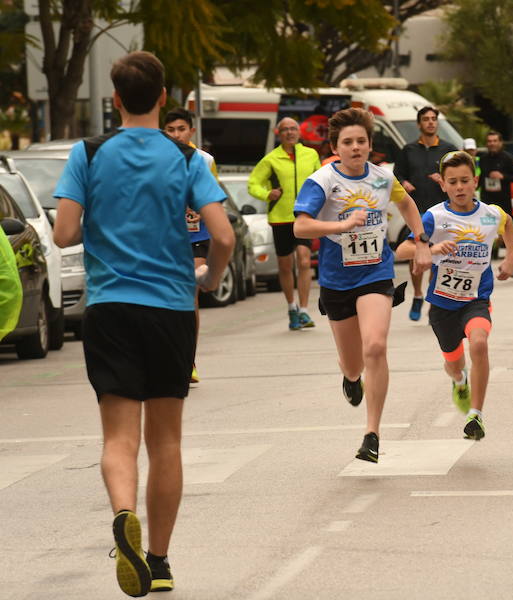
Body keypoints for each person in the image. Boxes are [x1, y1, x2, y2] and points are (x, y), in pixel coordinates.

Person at [52, 51, 234, 597]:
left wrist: (107, 226)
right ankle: (157, 559)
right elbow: (222, 237)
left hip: (110, 308)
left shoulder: (87, 153)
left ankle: (123, 514)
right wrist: (207, 277)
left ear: (114, 100)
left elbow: (63, 234)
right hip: (171, 309)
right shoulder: (186, 159)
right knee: (167, 442)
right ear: (161, 98)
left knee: (118, 437)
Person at [293, 107, 431, 463]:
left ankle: (372, 434)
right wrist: (339, 227)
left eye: (361, 141)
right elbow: (301, 227)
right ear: (335, 147)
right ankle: (351, 377)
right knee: (354, 363)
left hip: (376, 273)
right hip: (338, 280)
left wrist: (422, 241)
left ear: (371, 144)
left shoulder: (383, 178)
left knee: (376, 346)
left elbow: (408, 204)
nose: (356, 148)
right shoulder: (322, 181)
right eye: (348, 142)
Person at [395, 151, 513, 440]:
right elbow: (401, 251)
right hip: (442, 304)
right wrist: (430, 249)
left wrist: (510, 257)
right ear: (443, 185)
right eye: (453, 182)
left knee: (479, 342)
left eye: (465, 180)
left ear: (475, 181)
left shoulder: (491, 214)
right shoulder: (434, 217)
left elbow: (509, 225)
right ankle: (460, 381)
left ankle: (477, 414)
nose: (460, 187)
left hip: (476, 300)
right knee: (454, 363)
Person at [163, 107, 220, 384]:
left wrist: (201, 208)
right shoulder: (157, 159)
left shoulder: (204, 159)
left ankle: (189, 359)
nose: (177, 135)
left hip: (197, 236)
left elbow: (216, 197)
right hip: (168, 238)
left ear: (191, 131)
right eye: (171, 130)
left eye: (181, 129)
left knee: (190, 294)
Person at [248, 117, 320, 330]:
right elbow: (253, 184)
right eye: (285, 129)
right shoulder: (271, 159)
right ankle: (291, 307)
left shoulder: (311, 154)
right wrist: (267, 194)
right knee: (285, 265)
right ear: (279, 133)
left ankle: (305, 311)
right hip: (280, 218)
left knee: (305, 261)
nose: (290, 132)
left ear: (299, 132)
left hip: (304, 216)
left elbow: (320, 181)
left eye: (293, 128)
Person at [393, 106, 458, 321]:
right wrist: (404, 183)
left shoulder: (448, 150)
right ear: (419, 124)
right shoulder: (408, 150)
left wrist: (444, 180)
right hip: (418, 208)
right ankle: (418, 294)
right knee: (417, 251)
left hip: (442, 209)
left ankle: (431, 298)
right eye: (426, 119)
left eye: (433, 119)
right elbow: (397, 174)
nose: (430, 122)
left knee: (436, 256)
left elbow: (458, 174)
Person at [478, 131, 513, 225]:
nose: (492, 143)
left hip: (503, 202)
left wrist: (502, 176)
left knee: (503, 230)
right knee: (487, 229)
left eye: (495, 141)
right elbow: (482, 176)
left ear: (500, 143)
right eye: (489, 141)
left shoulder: (507, 158)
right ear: (487, 143)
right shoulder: (483, 159)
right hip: (487, 201)